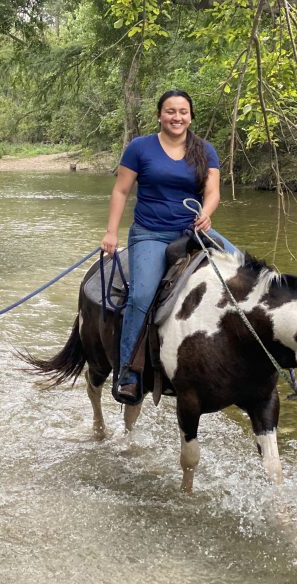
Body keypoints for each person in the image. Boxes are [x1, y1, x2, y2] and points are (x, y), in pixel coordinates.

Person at [101, 89, 236, 405]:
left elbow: (212, 192)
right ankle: (128, 373)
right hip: (151, 234)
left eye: (183, 112)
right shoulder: (139, 148)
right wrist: (111, 233)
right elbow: (121, 191)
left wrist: (206, 212)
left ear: (191, 116)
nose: (177, 117)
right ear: (160, 115)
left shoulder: (204, 150)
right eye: (171, 111)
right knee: (142, 295)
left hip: (192, 233)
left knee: (242, 267)